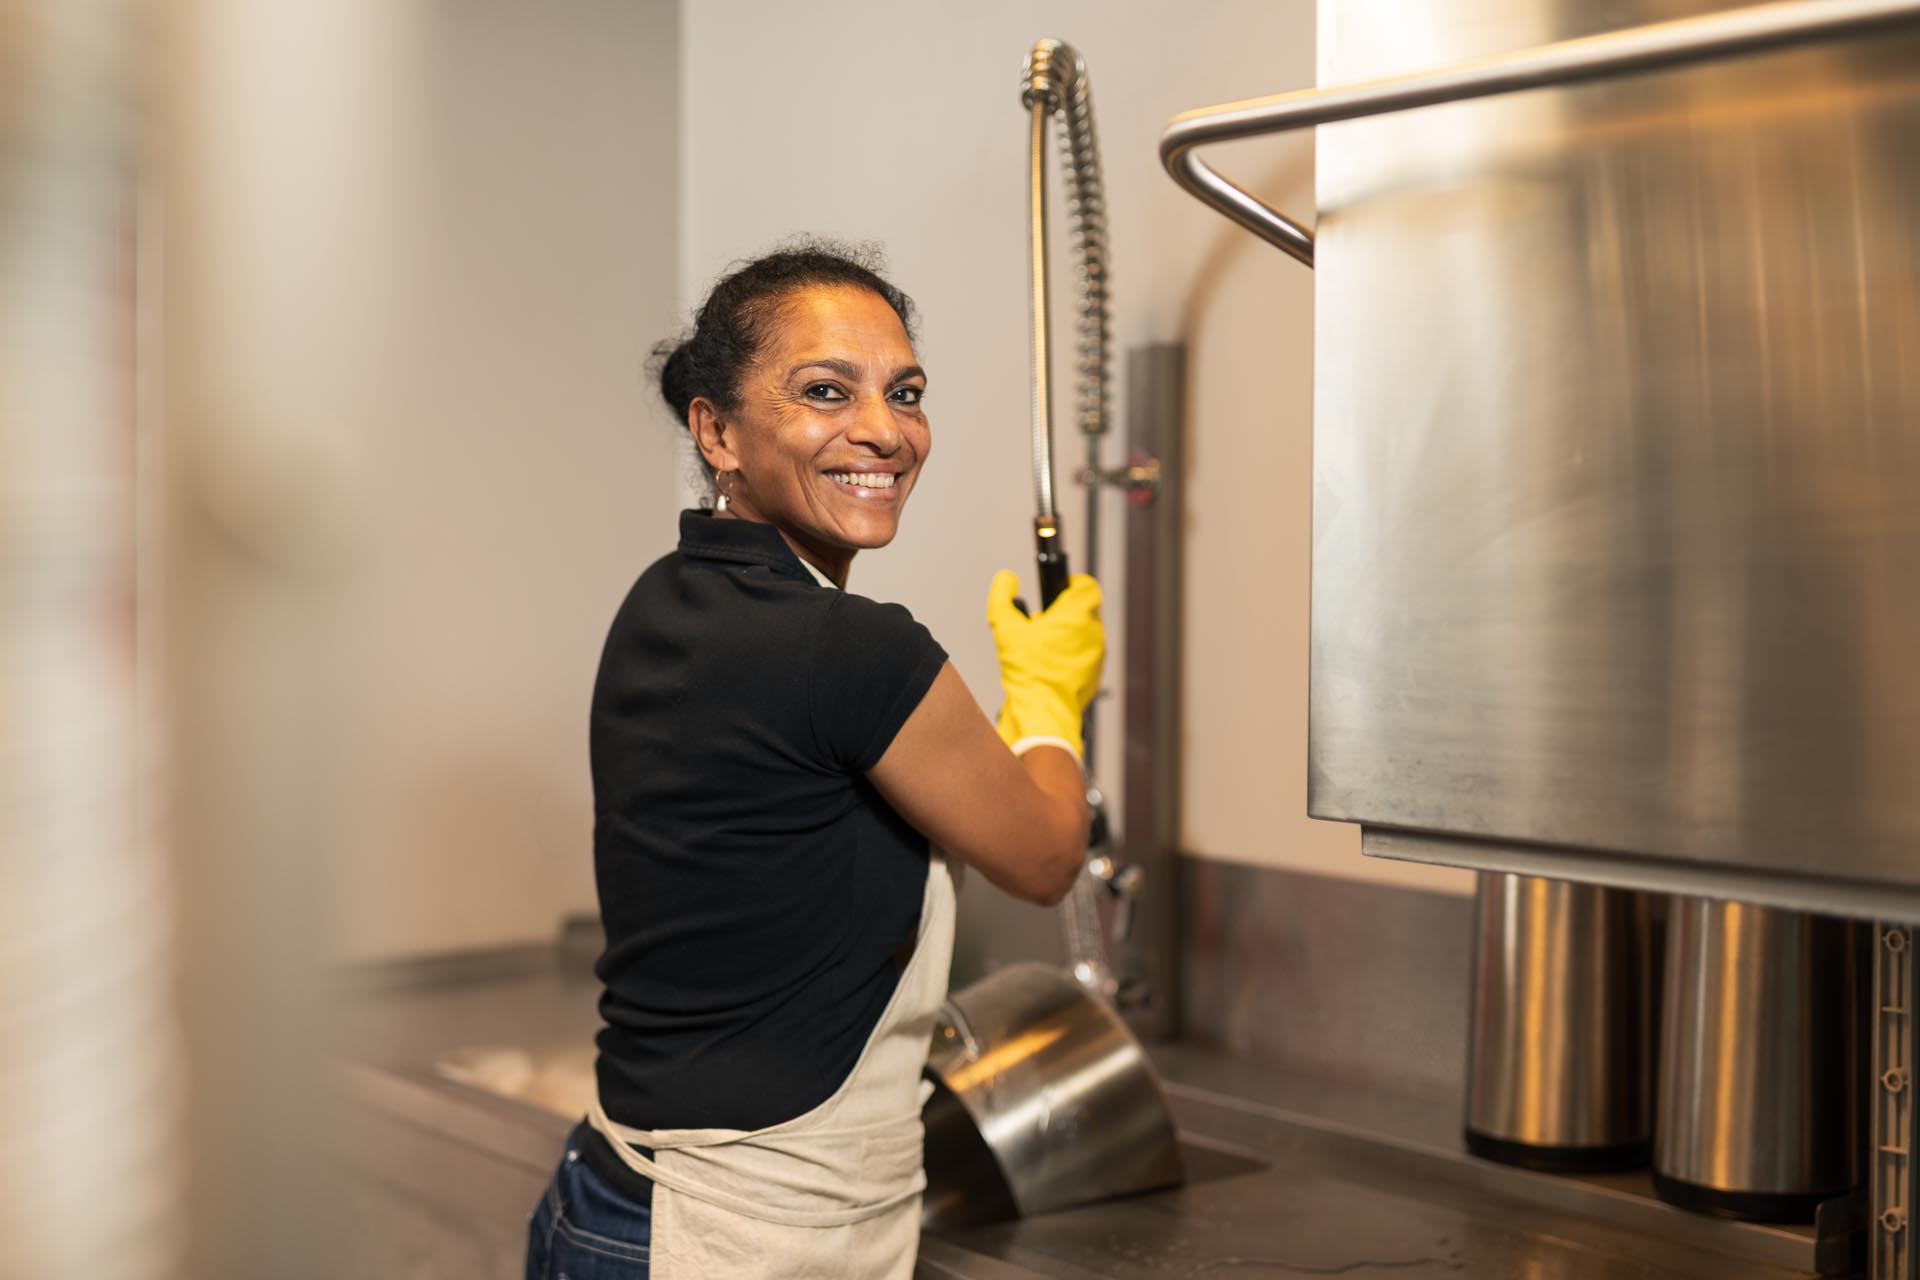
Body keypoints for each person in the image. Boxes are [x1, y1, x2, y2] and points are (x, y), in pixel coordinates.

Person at [524, 243, 1104, 1280]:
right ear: (717, 430)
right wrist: (1051, 703)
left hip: (608, 1196)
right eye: (825, 392)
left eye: (905, 391)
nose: (884, 430)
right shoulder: (853, 648)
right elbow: (1045, 849)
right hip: (739, 1235)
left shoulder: (663, 599)